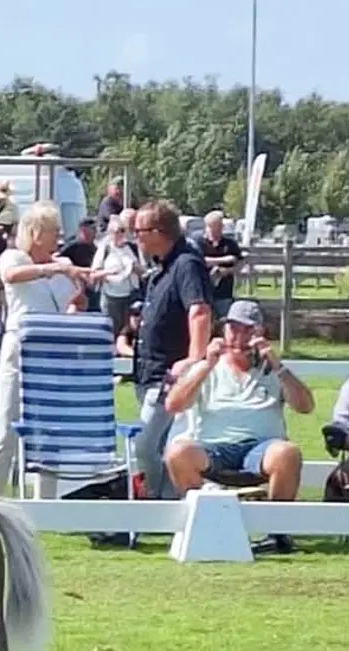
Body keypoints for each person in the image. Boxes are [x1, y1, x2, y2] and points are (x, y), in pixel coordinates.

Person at [163, 300, 313, 553]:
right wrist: (206, 365)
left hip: (260, 448)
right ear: (223, 331)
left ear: (259, 333)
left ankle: (275, 533)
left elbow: (305, 406)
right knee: (178, 453)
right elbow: (174, 405)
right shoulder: (207, 367)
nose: (238, 336)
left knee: (287, 452)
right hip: (213, 447)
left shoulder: (274, 371)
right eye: (233, 329)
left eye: (246, 330)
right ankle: (205, 521)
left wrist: (277, 366)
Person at [0, 201, 98, 496]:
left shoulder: (63, 266)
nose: (59, 235)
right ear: (35, 232)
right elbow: (11, 277)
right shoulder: (12, 257)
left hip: (53, 352)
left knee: (50, 431)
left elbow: (73, 304)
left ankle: (46, 500)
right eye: (53, 230)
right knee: (6, 426)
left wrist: (80, 294)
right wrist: (52, 269)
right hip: (21, 349)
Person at [131, 199, 214, 500]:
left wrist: (193, 359)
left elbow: (200, 311)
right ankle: (171, 502)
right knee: (159, 445)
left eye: (139, 230)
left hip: (169, 377)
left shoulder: (186, 264)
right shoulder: (162, 267)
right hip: (150, 373)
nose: (135, 236)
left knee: (145, 445)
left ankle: (157, 500)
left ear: (158, 231)